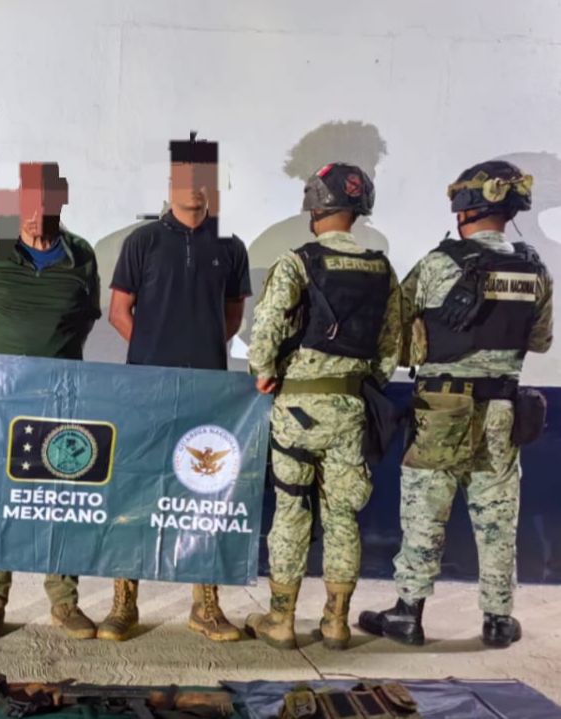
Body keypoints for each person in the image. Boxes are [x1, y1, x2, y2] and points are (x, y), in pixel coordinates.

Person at [359, 160, 554, 649]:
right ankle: (499, 619)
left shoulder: (438, 264)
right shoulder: (535, 270)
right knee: (497, 518)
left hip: (441, 408)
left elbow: (393, 332)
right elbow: (540, 340)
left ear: (465, 206)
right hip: (503, 411)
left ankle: (408, 614)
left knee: (425, 513)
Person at [246, 163, 401, 651]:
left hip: (297, 410)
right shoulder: (382, 268)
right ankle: (336, 623)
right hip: (351, 409)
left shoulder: (298, 262)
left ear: (315, 207)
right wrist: (359, 384)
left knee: (291, 509)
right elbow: (390, 348)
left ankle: (281, 621)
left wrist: (263, 371)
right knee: (342, 516)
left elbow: (266, 330)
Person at [102, 133, 251, 643]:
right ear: (170, 183)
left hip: (209, 393)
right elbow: (119, 311)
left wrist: (200, 353)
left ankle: (206, 607)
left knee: (206, 495)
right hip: (146, 392)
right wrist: (156, 354)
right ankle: (124, 604)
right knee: (136, 491)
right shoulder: (142, 242)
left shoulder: (230, 246)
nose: (196, 186)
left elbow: (233, 315)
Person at [0, 162, 101, 641]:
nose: (35, 213)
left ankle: (64, 602)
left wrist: (51, 360)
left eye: (45, 203)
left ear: (61, 202)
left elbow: (84, 319)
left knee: (61, 498)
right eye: (27, 203)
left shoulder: (81, 255)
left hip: (59, 400)